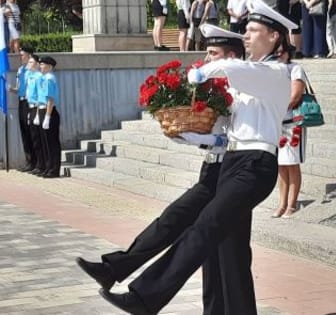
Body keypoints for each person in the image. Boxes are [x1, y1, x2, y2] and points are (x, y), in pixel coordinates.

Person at [77, 0, 298, 314]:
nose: (246, 36)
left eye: (252, 30)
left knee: (205, 227)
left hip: (256, 164)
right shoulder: (246, 84)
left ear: (274, 36)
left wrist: (202, 72)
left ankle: (144, 297)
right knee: (224, 248)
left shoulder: (274, 72)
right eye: (245, 30)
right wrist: (191, 135)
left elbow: (234, 67)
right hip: (233, 163)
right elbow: (224, 130)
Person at [273, 43, 307, 218]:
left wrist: (277, 109)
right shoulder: (271, 70)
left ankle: (292, 204)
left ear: (288, 53)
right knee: (281, 165)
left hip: (292, 122)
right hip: (276, 122)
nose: (278, 55)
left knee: (292, 164)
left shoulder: (295, 69)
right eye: (275, 52)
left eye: (281, 52)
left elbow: (295, 96)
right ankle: (282, 203)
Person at [9, 46, 36, 173]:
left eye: (23, 55)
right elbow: (18, 88)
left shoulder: (33, 71)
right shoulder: (20, 70)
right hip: (21, 102)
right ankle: (28, 160)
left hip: (30, 102)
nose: (21, 57)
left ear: (29, 56)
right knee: (24, 132)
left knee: (32, 132)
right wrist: (10, 89)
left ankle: (36, 161)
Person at [37, 56, 61, 178]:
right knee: (45, 143)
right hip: (43, 110)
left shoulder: (49, 79)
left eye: (42, 64)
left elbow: (50, 99)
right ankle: (48, 167)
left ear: (49, 66)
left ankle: (54, 169)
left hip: (49, 112)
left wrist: (47, 116)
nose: (40, 66)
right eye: (40, 64)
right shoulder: (43, 78)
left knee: (52, 143)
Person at [25, 54, 46, 177]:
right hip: (31, 107)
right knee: (34, 139)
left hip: (38, 108)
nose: (29, 63)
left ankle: (42, 164)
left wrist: (37, 114)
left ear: (37, 64)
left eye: (31, 62)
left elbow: (39, 96)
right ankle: (38, 164)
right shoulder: (30, 76)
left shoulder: (39, 77)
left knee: (39, 139)